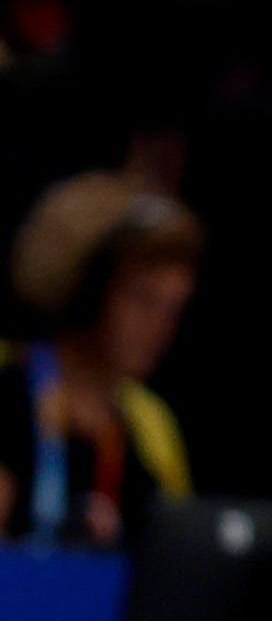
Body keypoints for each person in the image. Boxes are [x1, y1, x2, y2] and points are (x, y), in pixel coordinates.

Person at [6, 176, 201, 545]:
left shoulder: (150, 430)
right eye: (144, 300)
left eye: (172, 310)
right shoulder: (11, 397)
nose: (159, 327)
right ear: (88, 288)